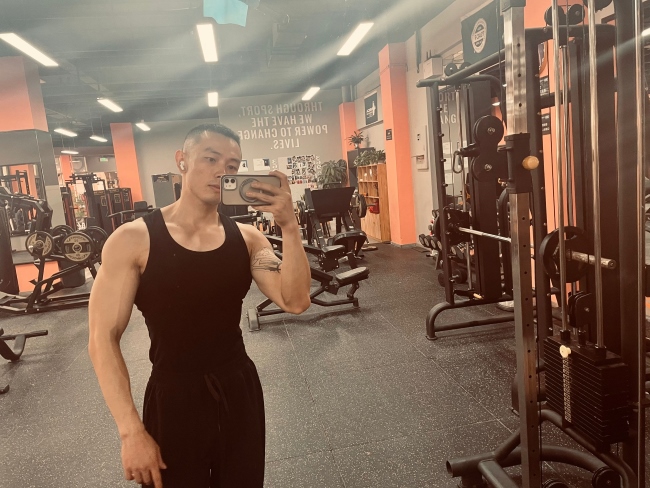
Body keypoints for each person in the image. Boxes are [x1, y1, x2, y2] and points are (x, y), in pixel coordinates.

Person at [88, 124, 312, 488]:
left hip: (239, 392)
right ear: (182, 160)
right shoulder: (133, 240)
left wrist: (290, 226)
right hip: (172, 398)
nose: (222, 171)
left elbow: (296, 301)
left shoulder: (248, 239)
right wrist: (131, 432)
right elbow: (102, 338)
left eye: (232, 165)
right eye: (210, 159)